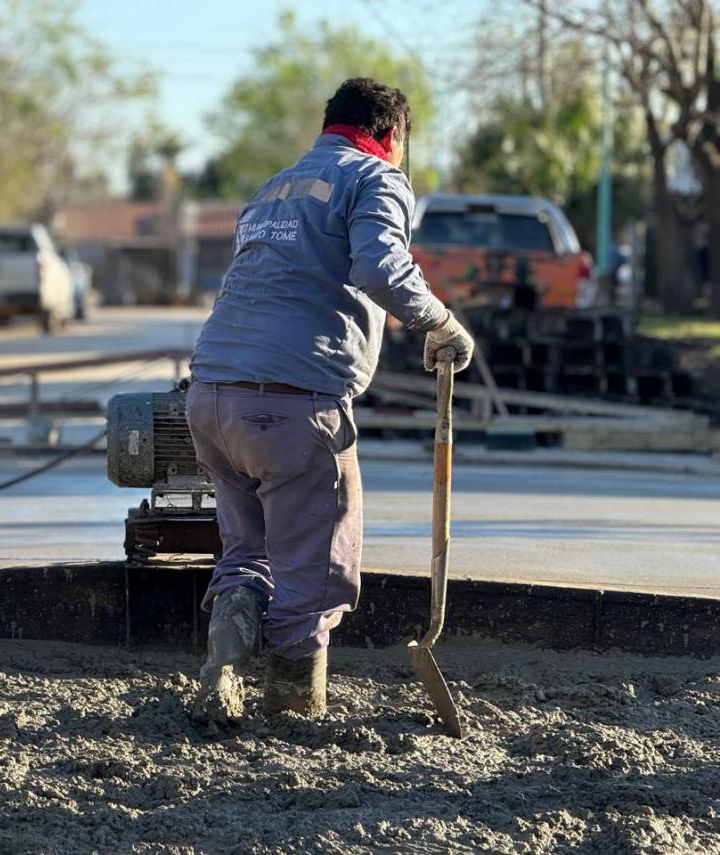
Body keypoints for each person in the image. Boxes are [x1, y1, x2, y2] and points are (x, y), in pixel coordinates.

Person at [186, 77, 474, 722]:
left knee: (248, 551)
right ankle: (292, 706)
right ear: (391, 136)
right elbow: (379, 268)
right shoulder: (373, 177)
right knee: (316, 569)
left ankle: (224, 658)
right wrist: (441, 323)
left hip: (211, 397)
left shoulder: (276, 186)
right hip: (291, 406)